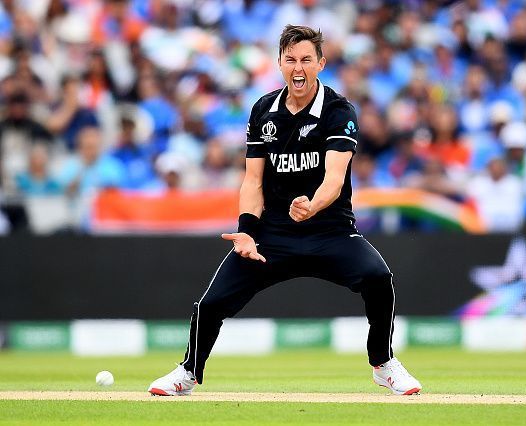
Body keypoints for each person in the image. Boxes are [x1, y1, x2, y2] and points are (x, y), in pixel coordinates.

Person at [148, 25, 422, 397]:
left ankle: (383, 364)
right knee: (210, 304)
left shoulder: (339, 111)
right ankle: (188, 373)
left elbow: (335, 178)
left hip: (330, 231)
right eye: (290, 59)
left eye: (306, 59)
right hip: (273, 234)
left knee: (379, 278)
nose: (298, 67)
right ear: (279, 63)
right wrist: (246, 230)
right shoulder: (263, 110)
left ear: (320, 63)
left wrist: (312, 205)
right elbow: (252, 182)